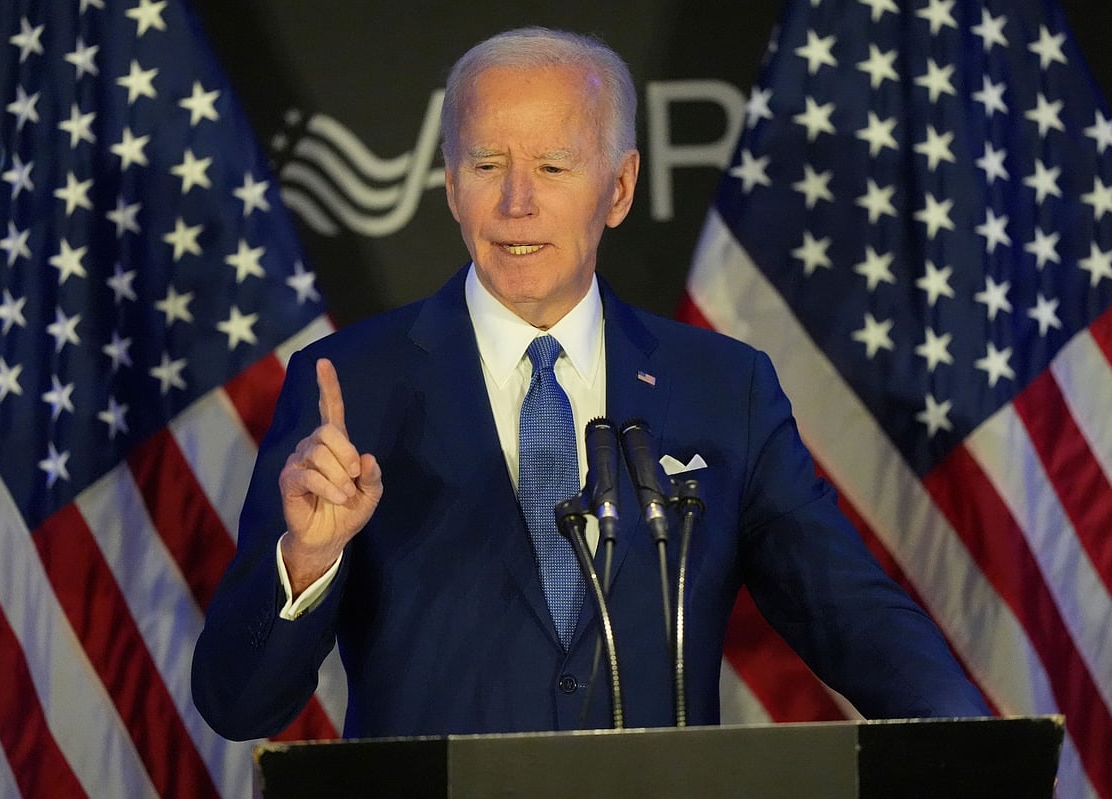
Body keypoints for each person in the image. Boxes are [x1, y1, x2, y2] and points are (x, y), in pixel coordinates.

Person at [191, 26, 988, 741]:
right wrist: (308, 558)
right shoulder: (349, 386)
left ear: (620, 186)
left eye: (552, 166)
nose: (517, 202)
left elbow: (849, 613)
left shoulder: (724, 389)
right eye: (488, 164)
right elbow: (235, 703)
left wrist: (981, 747)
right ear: (451, 184)